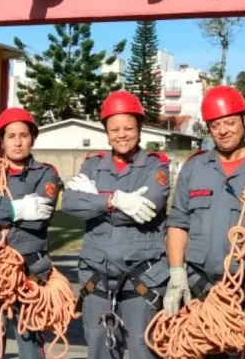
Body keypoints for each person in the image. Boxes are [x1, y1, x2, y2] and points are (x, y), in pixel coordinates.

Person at [162, 85, 245, 359]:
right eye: (215, 125)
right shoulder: (194, 168)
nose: (223, 131)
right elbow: (178, 223)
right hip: (202, 290)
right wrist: (176, 274)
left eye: (230, 122)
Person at [61, 90, 170, 359]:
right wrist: (115, 200)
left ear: (140, 129)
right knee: (100, 349)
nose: (122, 135)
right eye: (115, 129)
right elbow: (71, 203)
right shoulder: (93, 166)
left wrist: (95, 201)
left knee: (144, 349)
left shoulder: (155, 166)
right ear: (106, 132)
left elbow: (149, 207)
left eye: (128, 128)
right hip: (96, 279)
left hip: (141, 278)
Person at [0, 107, 60, 359]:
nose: (17, 142)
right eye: (11, 136)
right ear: (1, 141)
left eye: (24, 135)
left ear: (32, 138)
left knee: (30, 349)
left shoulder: (46, 173)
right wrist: (20, 207)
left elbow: (39, 219)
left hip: (30, 275)